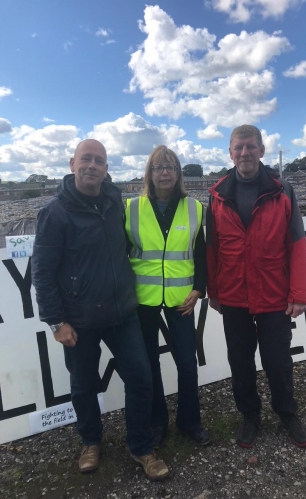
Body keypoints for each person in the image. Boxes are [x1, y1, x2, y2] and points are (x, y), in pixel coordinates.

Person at [31, 139, 169, 480]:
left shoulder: (114, 201)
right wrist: (55, 321)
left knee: (140, 379)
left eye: (100, 161)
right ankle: (90, 441)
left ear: (106, 168)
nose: (92, 165)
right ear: (72, 163)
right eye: (86, 159)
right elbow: (42, 273)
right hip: (79, 320)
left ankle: (140, 447)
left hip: (123, 313)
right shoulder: (55, 212)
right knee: (84, 386)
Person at [206, 125, 306, 448]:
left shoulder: (282, 190)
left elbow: (296, 244)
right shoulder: (217, 194)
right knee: (240, 361)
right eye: (238, 148)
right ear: (230, 153)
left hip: (273, 293)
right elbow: (212, 248)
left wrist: (299, 294)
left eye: (251, 147)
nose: (244, 153)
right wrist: (214, 291)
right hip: (233, 293)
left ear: (262, 151)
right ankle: (249, 415)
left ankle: (287, 413)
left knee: (278, 361)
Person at [125, 145, 210, 448]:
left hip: (182, 299)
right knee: (149, 365)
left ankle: (190, 422)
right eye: (158, 167)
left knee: (187, 363)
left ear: (178, 174)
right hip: (142, 301)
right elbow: (122, 255)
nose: (165, 173)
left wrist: (199, 288)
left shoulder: (195, 208)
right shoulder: (132, 208)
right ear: (149, 173)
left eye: (171, 167)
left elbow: (202, 254)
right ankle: (157, 422)